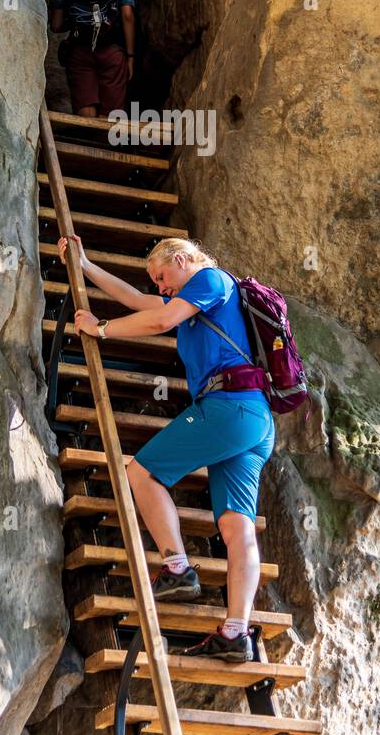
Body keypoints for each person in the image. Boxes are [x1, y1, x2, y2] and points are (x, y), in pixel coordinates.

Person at [58, 232, 275, 663]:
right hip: (253, 419)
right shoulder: (200, 299)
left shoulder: (211, 280)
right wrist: (85, 266)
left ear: (181, 259)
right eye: (157, 282)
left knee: (141, 472)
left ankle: (177, 567)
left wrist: (100, 329)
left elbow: (159, 322)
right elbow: (139, 301)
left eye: (162, 276)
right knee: (237, 528)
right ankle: (236, 632)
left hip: (228, 407)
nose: (160, 287)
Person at [49, 0, 136, 119]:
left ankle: (87, 138)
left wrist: (74, 22)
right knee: (111, 111)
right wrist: (130, 55)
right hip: (112, 51)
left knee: (85, 106)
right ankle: (105, 142)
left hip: (79, 51)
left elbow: (56, 26)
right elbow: (127, 17)